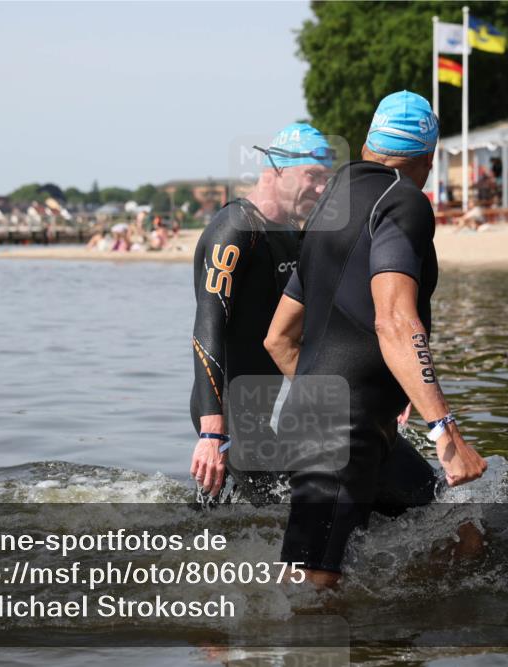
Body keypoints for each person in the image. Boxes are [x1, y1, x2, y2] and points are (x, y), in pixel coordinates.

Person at [263, 91, 487, 586]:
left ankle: (395, 637)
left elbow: (278, 338)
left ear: (368, 143)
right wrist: (445, 432)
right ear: (427, 160)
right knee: (310, 593)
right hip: (344, 432)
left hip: (361, 429)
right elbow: (395, 321)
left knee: (462, 535)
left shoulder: (329, 206)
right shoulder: (404, 201)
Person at [189, 123, 334, 500]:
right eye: (313, 176)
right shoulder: (234, 230)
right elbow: (208, 329)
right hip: (228, 409)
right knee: (283, 511)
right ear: (279, 169)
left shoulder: (288, 231)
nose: (322, 189)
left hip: (267, 403)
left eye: (326, 179)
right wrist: (211, 431)